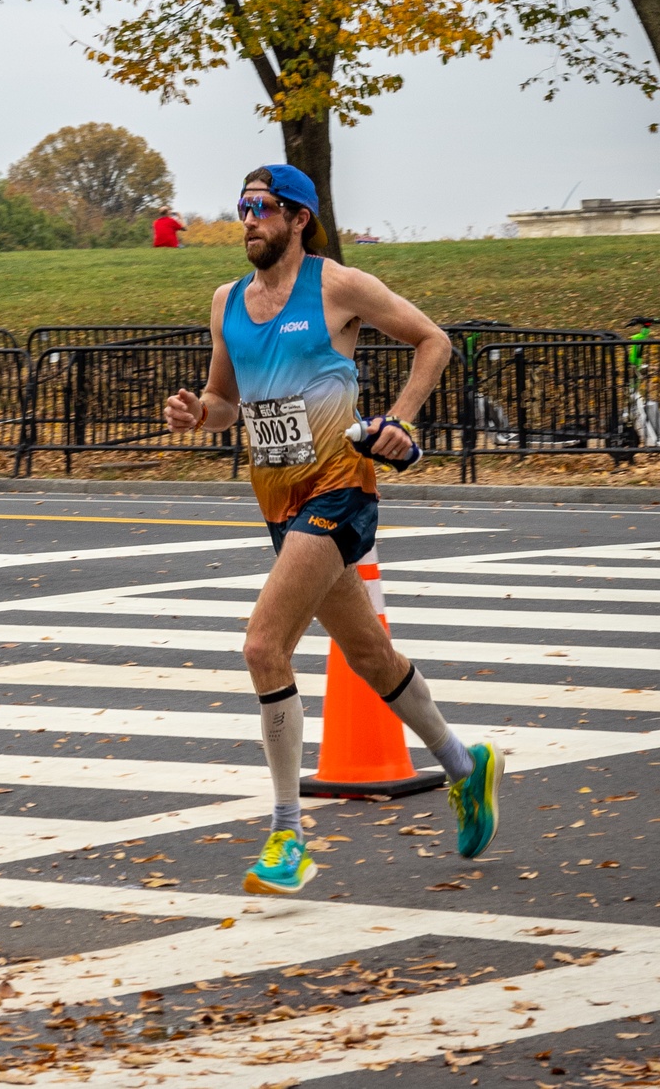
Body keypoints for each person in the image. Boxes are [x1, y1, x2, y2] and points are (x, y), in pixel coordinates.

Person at [164, 163, 502, 896]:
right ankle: (467, 771)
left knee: (262, 646)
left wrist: (401, 420)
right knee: (372, 656)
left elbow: (432, 341)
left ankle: (288, 835)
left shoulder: (337, 287)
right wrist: (201, 415)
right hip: (279, 504)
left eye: (262, 208)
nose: (248, 219)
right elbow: (227, 402)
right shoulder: (227, 302)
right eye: (242, 206)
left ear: (297, 219)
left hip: (341, 489)